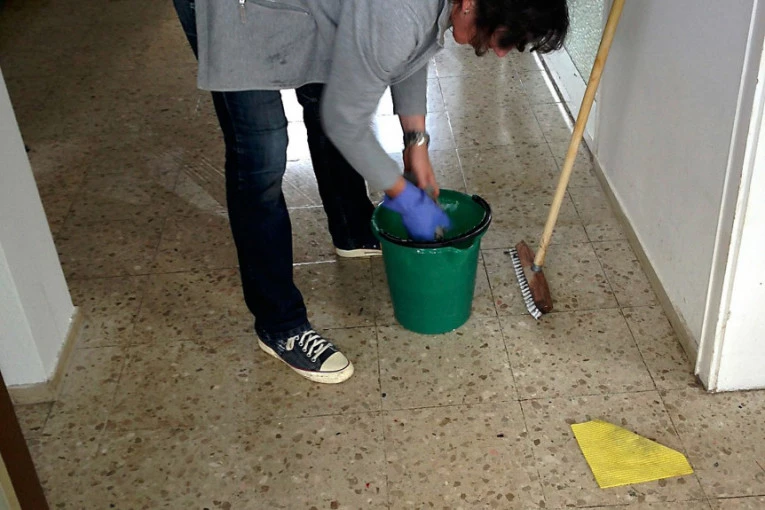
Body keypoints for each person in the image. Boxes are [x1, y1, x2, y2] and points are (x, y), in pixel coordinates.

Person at [173, 0, 568, 385]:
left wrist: (416, 142)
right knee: (262, 157)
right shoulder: (402, 10)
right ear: (469, 4)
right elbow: (347, 120)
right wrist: (406, 197)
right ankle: (280, 325)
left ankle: (352, 230)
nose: (500, 53)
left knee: (326, 95)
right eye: (504, 39)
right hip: (236, 10)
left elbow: (411, 48)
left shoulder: (421, 11)